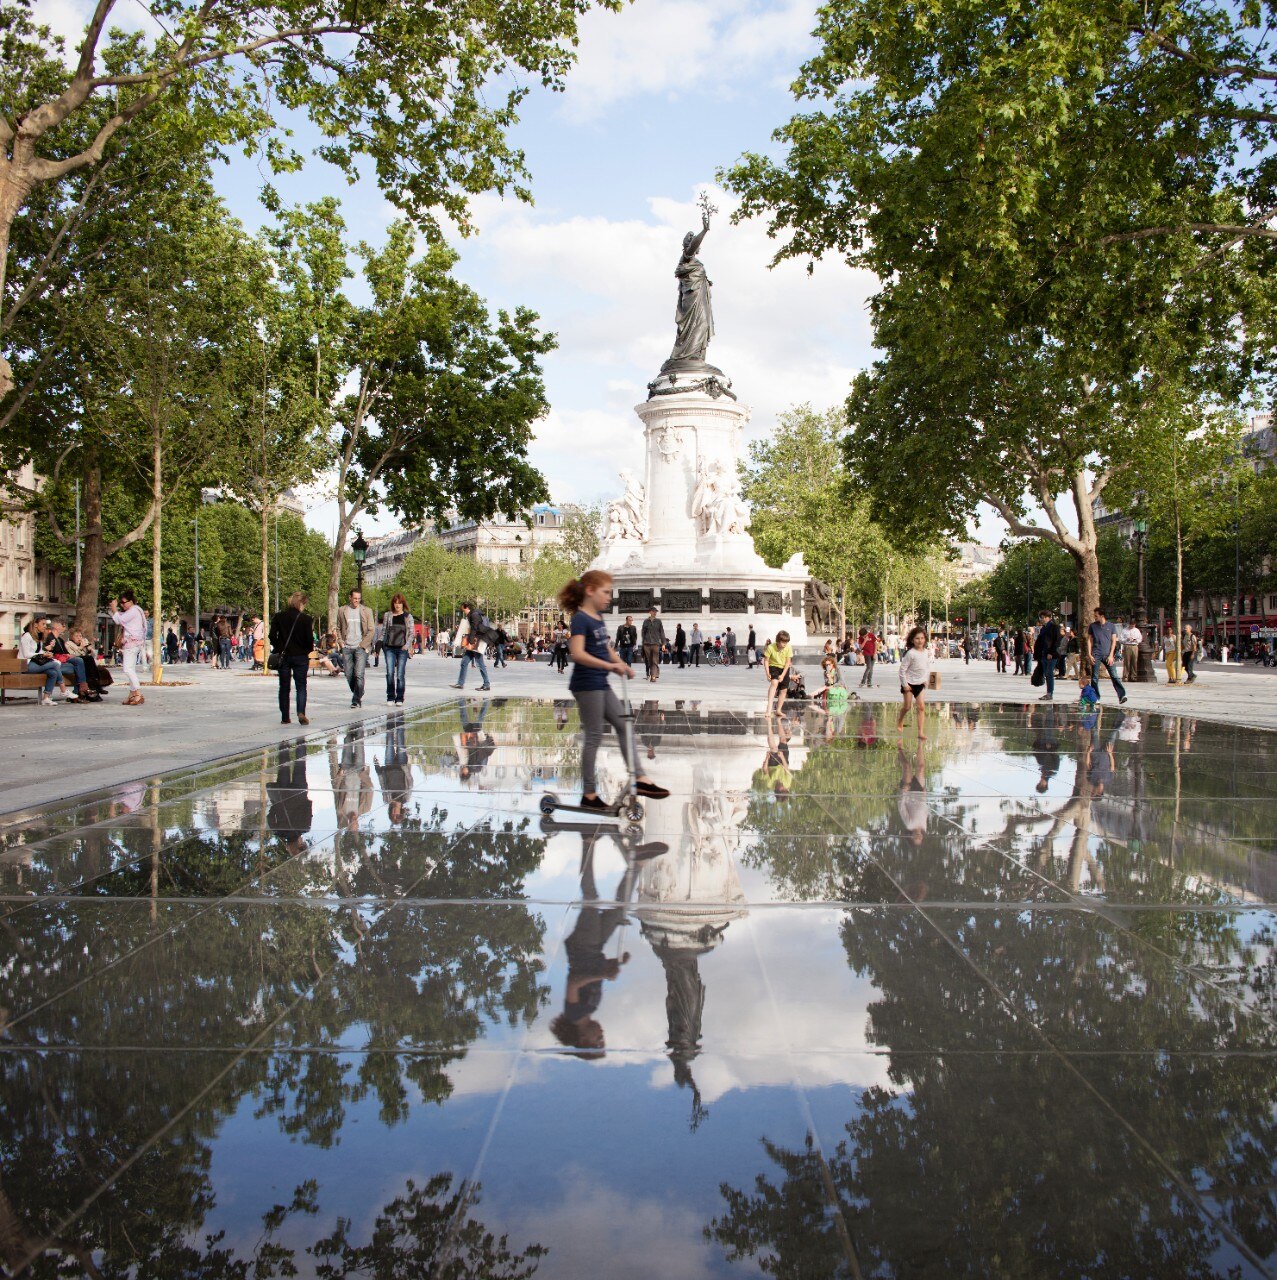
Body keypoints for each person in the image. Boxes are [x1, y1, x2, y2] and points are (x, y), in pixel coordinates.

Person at [559, 570, 670, 811]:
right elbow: (578, 653)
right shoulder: (580, 619)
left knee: (624, 725)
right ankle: (589, 794)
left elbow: (604, 646)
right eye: (605, 592)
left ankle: (639, 778)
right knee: (594, 737)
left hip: (601, 683)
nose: (610, 597)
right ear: (589, 591)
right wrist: (609, 665)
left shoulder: (597, 617)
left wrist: (619, 663)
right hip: (586, 685)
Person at [270, 590, 316, 725]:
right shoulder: (306, 619)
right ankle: (301, 712)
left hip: (284, 655)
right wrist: (307, 650)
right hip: (301, 656)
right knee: (301, 686)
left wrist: (279, 647)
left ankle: (285, 716)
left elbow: (272, 635)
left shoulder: (278, 617)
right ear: (301, 603)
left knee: (284, 686)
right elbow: (309, 639)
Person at [336, 588, 375, 708]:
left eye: (358, 599)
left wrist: (363, 645)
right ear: (350, 598)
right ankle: (359, 691)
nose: (356, 601)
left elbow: (371, 629)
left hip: (360, 647)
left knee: (359, 674)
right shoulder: (342, 610)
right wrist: (341, 643)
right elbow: (337, 628)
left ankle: (356, 700)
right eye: (355, 598)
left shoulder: (367, 611)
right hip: (347, 646)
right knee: (349, 674)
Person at [109, 588, 147, 706]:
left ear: (131, 601)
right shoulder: (137, 610)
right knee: (131, 668)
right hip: (135, 643)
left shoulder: (133, 611)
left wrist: (114, 608)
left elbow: (118, 620)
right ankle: (132, 694)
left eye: (124, 602)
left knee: (127, 669)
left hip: (132, 643)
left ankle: (138, 693)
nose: (122, 605)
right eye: (121, 603)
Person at [1086, 605, 1128, 704]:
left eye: (1096, 616)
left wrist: (1111, 655)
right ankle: (1095, 697)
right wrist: (1089, 654)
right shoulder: (1092, 626)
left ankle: (1122, 695)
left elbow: (1114, 641)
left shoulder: (1111, 626)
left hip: (1108, 654)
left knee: (1114, 676)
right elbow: (1089, 640)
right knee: (1094, 677)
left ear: (1102, 616)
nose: (1095, 617)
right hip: (1096, 654)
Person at [18, 620, 64, 705]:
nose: (45, 626)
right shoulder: (27, 636)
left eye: (45, 624)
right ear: (35, 625)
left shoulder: (39, 637)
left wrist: (47, 653)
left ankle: (46, 698)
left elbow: (39, 651)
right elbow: (26, 654)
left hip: (36, 663)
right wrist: (43, 654)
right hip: (25, 665)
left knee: (53, 672)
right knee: (55, 663)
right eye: (43, 624)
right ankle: (63, 689)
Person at [896, 626, 931, 737]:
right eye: (917, 638)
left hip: (920, 683)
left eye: (922, 638)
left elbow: (926, 667)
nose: (920, 641)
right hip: (909, 683)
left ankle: (920, 732)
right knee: (907, 706)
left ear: (925, 639)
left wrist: (926, 679)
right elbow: (902, 670)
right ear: (912, 640)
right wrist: (905, 685)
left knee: (921, 707)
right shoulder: (910, 653)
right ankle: (900, 719)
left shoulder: (926, 652)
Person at [47, 621, 94, 702]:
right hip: (55, 663)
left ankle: (78, 692)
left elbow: (66, 654)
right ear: (56, 626)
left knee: (79, 662)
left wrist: (71, 655)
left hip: (63, 661)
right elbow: (49, 652)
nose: (65, 628)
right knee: (78, 665)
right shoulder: (49, 638)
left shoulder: (60, 640)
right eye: (63, 626)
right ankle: (81, 690)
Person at [451, 601, 493, 691]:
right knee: (464, 662)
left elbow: (475, 628)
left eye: (463, 609)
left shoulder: (474, 615)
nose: (463, 611)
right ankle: (460, 683)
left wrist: (470, 641)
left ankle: (486, 684)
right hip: (474, 641)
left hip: (476, 641)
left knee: (480, 663)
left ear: (466, 607)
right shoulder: (473, 614)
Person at [380, 592, 414, 705]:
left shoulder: (408, 617)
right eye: (395, 603)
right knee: (390, 673)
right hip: (389, 647)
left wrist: (406, 646)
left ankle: (399, 697)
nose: (397, 605)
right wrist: (380, 643)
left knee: (400, 674)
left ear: (403, 604)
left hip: (402, 648)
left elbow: (411, 633)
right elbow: (384, 631)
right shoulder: (387, 615)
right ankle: (390, 696)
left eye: (399, 603)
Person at [1032, 608, 1060, 702]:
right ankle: (1049, 692)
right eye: (1041, 617)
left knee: (1049, 674)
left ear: (1048, 617)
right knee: (1047, 674)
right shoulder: (1044, 628)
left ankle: (1049, 693)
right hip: (1043, 654)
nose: (1042, 619)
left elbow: (1056, 641)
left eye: (1043, 617)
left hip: (1050, 654)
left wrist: (1051, 652)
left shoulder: (1054, 627)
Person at [763, 630, 793, 715]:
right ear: (778, 641)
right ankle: (769, 708)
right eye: (783, 642)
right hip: (773, 666)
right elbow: (766, 661)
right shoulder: (770, 647)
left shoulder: (788, 647)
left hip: (784, 668)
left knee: (783, 690)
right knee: (774, 683)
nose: (785, 644)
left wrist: (783, 675)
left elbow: (788, 662)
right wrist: (767, 673)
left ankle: (778, 710)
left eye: (786, 642)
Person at [641, 606, 666, 683]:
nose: (655, 613)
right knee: (649, 661)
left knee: (654, 660)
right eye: (654, 611)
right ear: (650, 612)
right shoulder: (646, 621)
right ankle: (653, 674)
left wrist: (663, 643)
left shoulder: (658, 621)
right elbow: (643, 633)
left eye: (656, 611)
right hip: (647, 644)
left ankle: (653, 676)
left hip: (655, 644)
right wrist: (643, 642)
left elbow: (662, 632)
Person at [1119, 616, 1142, 683]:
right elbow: (1120, 639)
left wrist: (1135, 640)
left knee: (1134, 662)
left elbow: (1140, 639)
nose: (1132, 625)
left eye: (1133, 624)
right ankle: (1125, 676)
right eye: (1131, 624)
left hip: (1134, 646)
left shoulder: (1136, 630)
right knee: (1126, 662)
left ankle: (1133, 676)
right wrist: (1126, 639)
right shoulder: (1124, 630)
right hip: (1127, 646)